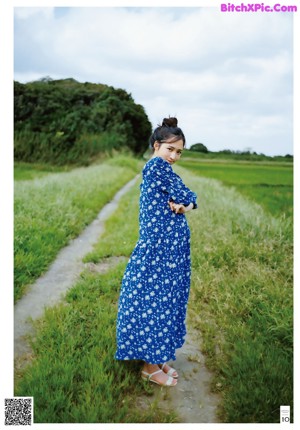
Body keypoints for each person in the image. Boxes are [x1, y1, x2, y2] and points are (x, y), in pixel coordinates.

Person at [115, 117, 197, 387]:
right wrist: (186, 202)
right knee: (156, 303)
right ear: (156, 146)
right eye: (170, 149)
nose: (174, 156)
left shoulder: (164, 169)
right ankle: (149, 367)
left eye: (179, 152)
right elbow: (187, 194)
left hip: (170, 250)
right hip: (158, 249)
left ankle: (158, 357)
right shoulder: (157, 167)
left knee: (167, 301)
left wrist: (186, 205)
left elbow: (188, 199)